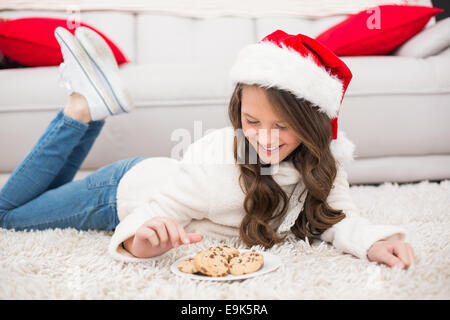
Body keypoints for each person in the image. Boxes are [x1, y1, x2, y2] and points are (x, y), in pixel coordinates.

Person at [0, 28, 414, 270]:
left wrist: (372, 241)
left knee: (22, 205)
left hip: (159, 173)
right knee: (7, 215)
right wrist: (138, 243)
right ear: (239, 112)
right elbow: (156, 210)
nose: (264, 139)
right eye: (252, 122)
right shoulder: (220, 160)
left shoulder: (327, 161)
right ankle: (80, 109)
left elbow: (336, 218)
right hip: (118, 192)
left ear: (312, 125)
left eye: (283, 127)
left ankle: (94, 108)